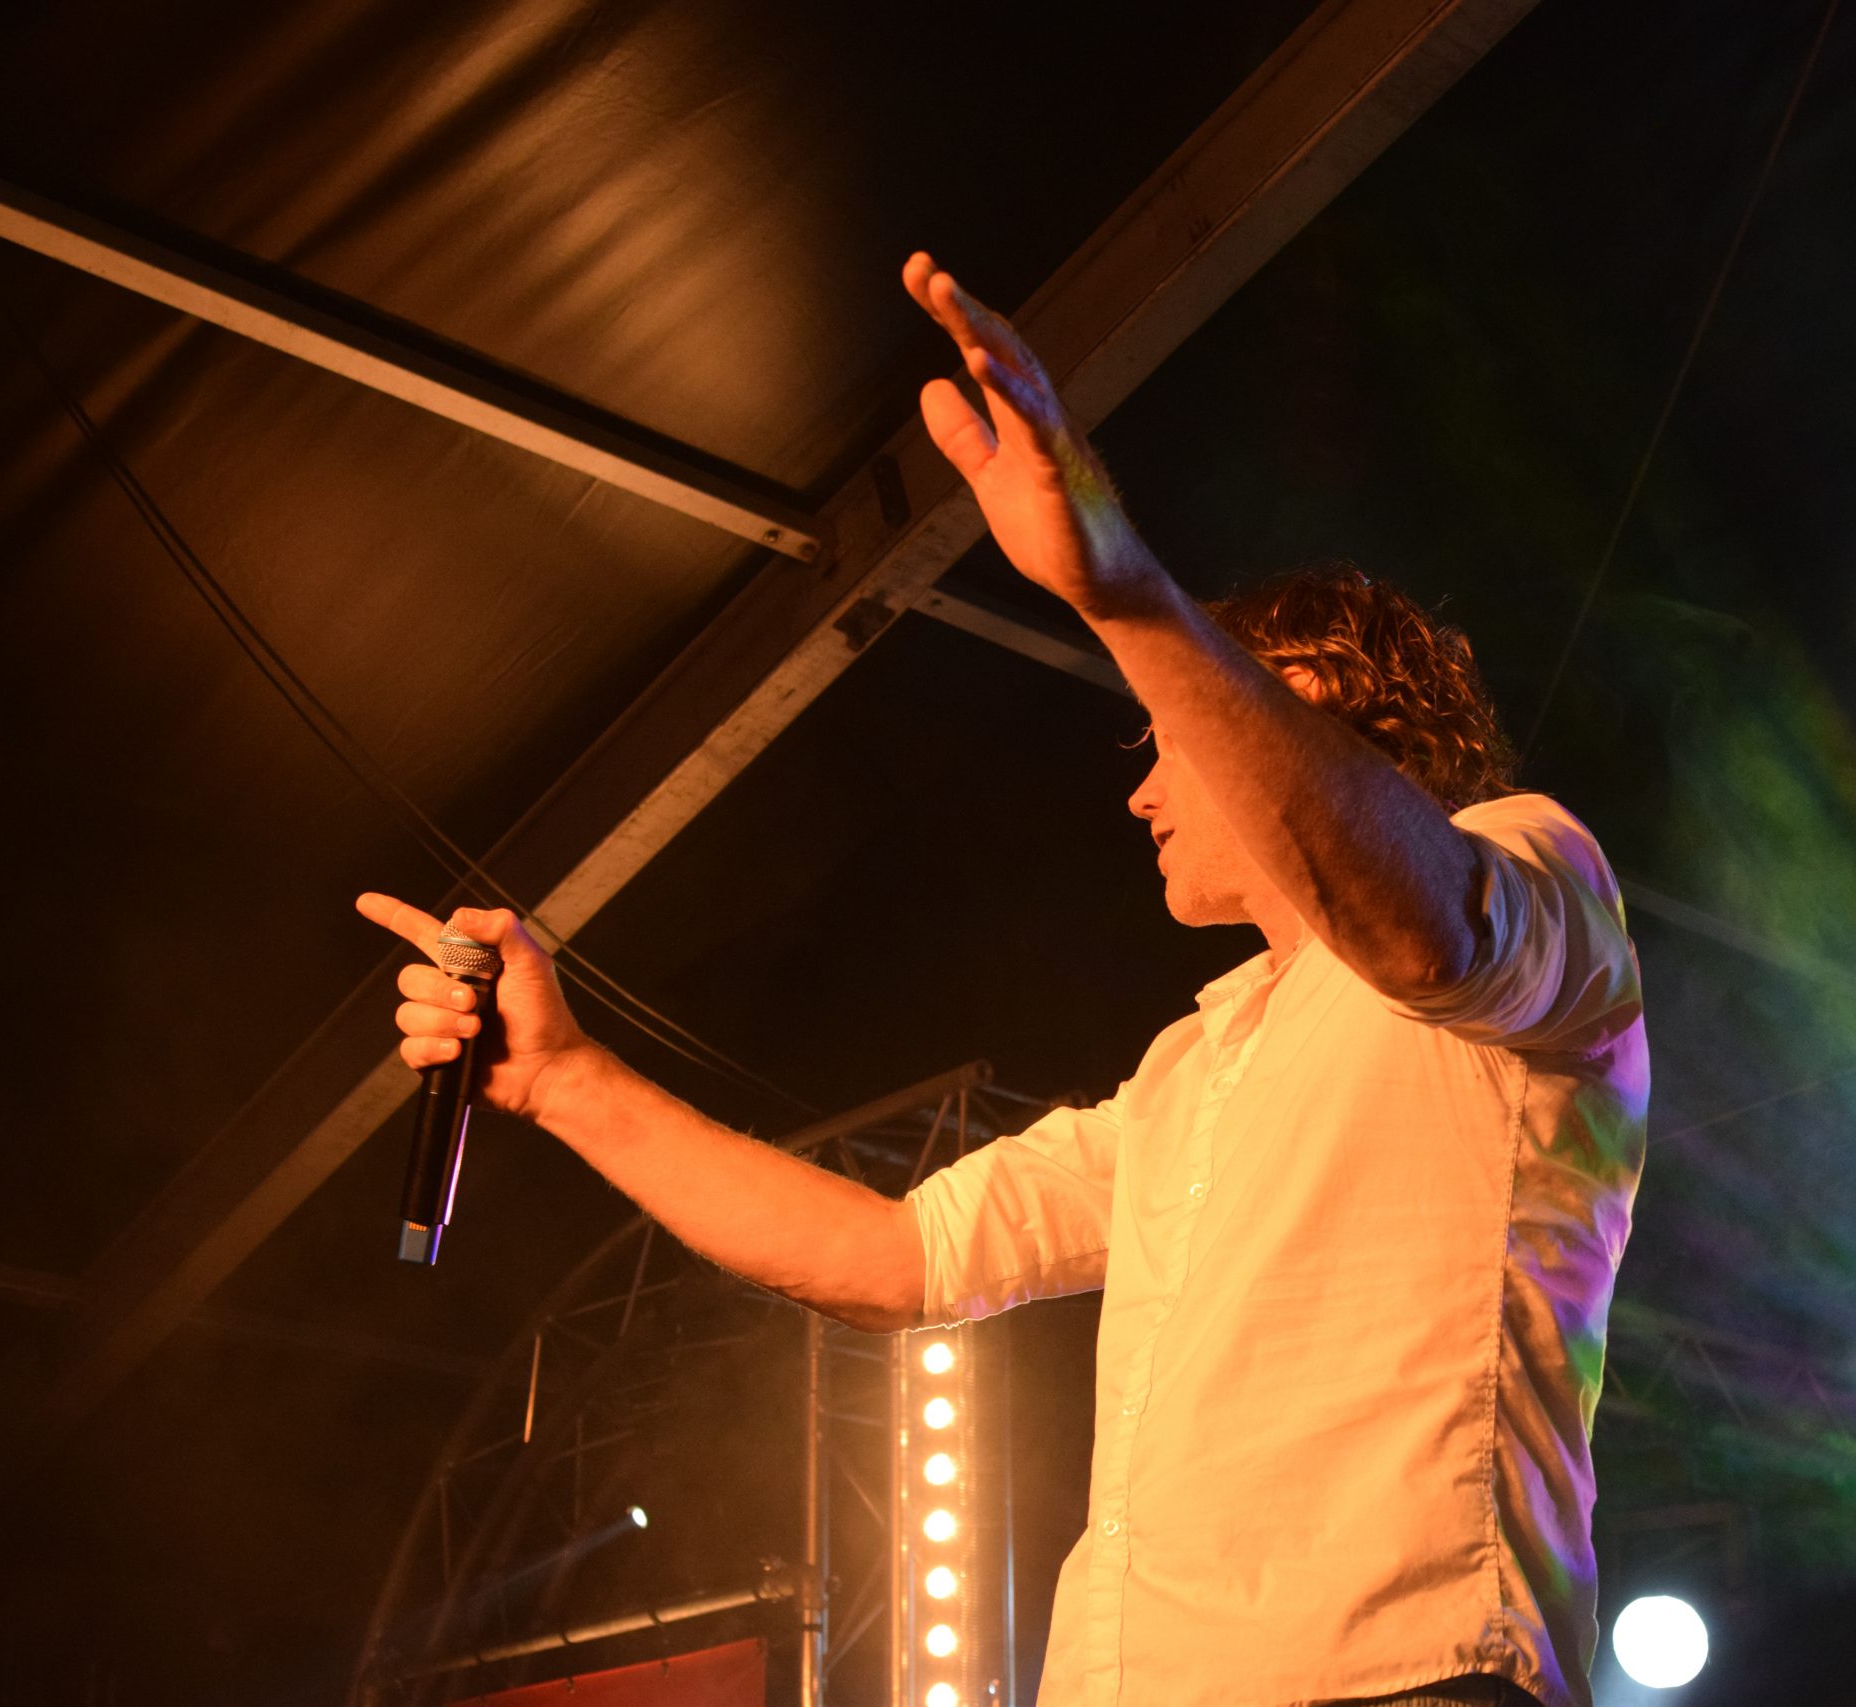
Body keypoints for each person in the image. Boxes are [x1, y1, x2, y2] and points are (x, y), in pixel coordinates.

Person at [359, 254, 1649, 1707]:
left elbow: (1426, 935)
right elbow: (892, 1259)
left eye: (1165, 737)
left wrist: (1126, 594)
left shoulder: (1526, 869)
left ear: (1302, 704)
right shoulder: (1190, 1075)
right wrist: (562, 1081)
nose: (1142, 792)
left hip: (1402, 1681)